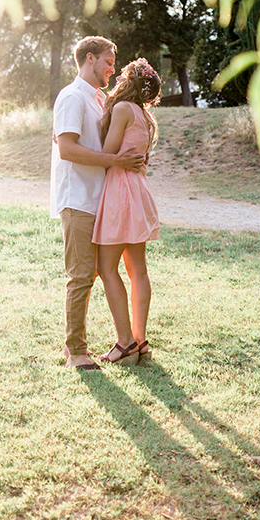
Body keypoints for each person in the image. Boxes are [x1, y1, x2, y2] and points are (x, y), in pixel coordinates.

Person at [50, 36, 144, 370]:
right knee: (80, 276)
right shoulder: (72, 97)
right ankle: (76, 352)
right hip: (77, 198)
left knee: (95, 273)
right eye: (107, 61)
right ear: (89, 59)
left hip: (99, 200)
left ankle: (125, 341)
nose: (112, 68)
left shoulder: (98, 100)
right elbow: (67, 149)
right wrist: (116, 161)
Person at [92, 58, 161, 365]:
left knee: (106, 268)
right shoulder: (144, 116)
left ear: (128, 82)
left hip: (121, 192)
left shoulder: (121, 110)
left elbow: (108, 156)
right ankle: (140, 339)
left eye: (121, 77)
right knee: (138, 270)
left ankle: (124, 343)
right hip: (139, 191)